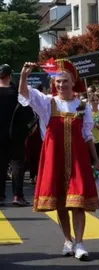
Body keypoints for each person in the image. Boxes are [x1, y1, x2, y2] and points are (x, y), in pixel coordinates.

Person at [17, 59, 99, 260]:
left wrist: (96, 160)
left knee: (78, 202)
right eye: (58, 82)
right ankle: (68, 240)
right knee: (62, 202)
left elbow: (87, 135)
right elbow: (25, 93)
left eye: (65, 81)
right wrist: (23, 76)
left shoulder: (82, 106)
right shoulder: (48, 103)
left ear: (73, 82)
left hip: (78, 158)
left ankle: (80, 243)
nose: (61, 85)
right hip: (54, 158)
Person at [0, 64, 35, 206]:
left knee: (0, 166)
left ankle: (0, 196)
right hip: (16, 135)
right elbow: (28, 112)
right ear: (10, 76)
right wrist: (29, 129)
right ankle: (17, 195)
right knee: (17, 166)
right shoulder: (16, 93)